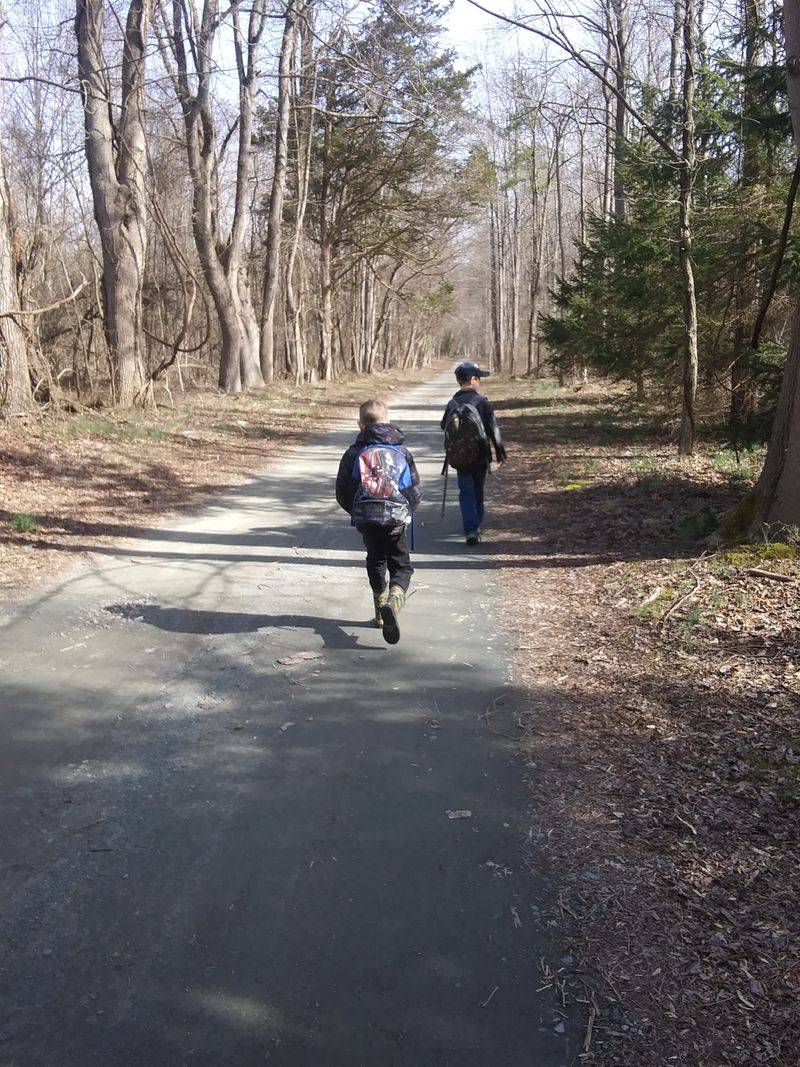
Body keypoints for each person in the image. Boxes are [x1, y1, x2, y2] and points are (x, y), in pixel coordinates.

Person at [336, 399, 421, 645]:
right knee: (401, 566)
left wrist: (356, 513)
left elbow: (342, 489)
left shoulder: (354, 452)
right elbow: (414, 488)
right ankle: (394, 601)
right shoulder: (402, 451)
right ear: (388, 420)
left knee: (375, 559)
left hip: (367, 518)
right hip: (395, 519)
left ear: (360, 425)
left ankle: (380, 609)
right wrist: (407, 512)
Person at [441, 361, 506, 545]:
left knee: (465, 491)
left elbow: (443, 426)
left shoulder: (452, 403)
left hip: (459, 457)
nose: (479, 382)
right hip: (480, 454)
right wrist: (500, 454)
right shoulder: (482, 403)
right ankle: (476, 526)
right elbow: (494, 429)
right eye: (478, 378)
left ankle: (469, 528)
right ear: (472, 380)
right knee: (478, 489)